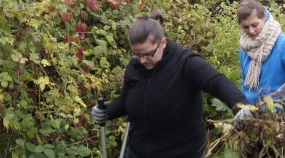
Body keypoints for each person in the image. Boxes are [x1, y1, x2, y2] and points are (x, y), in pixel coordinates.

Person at [90, 11, 253, 158]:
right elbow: (127, 100)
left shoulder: (186, 64)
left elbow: (218, 82)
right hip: (137, 152)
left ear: (163, 43)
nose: (142, 60)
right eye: (137, 54)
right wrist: (107, 111)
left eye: (147, 54)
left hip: (182, 153)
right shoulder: (135, 67)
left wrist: (241, 106)